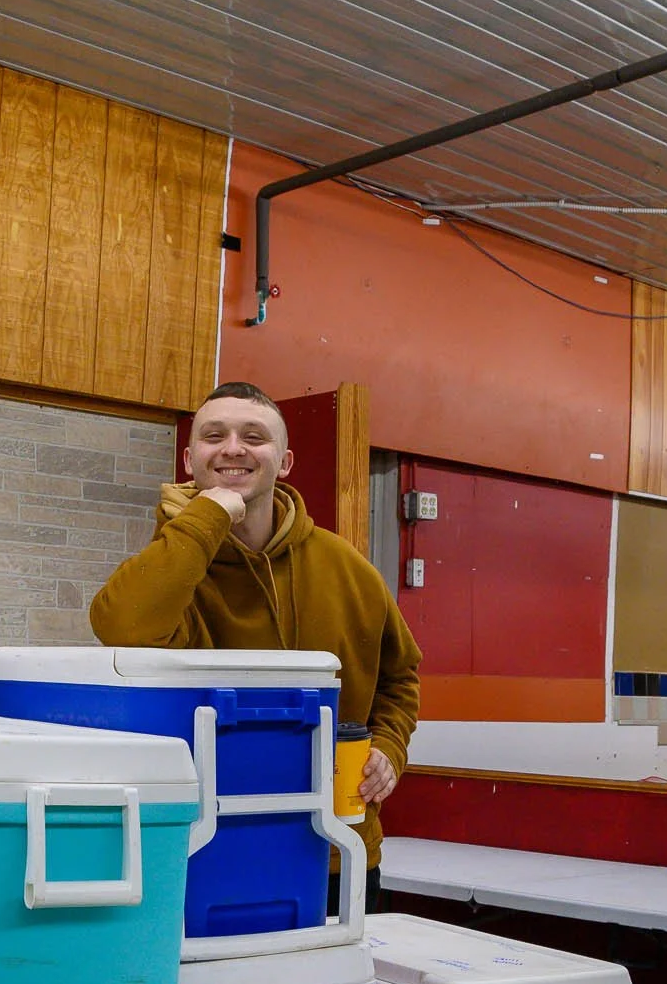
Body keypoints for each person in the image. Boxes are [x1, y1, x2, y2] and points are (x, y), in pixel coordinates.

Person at [89, 381, 421, 907]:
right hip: (205, 848)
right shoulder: (170, 569)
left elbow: (401, 675)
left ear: (285, 461)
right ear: (189, 458)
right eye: (213, 436)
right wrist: (209, 515)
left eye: (254, 437)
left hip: (337, 852)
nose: (233, 448)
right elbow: (122, 627)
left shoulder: (349, 568)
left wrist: (388, 747)